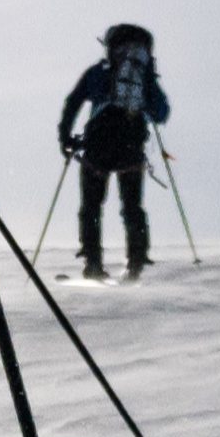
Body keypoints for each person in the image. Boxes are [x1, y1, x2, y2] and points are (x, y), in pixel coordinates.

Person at [57, 23, 169, 280]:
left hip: (98, 147)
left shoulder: (98, 72)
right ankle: (136, 263)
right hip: (131, 148)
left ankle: (93, 264)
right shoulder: (143, 76)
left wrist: (65, 137)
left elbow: (72, 102)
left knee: (91, 207)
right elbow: (161, 113)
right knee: (132, 207)